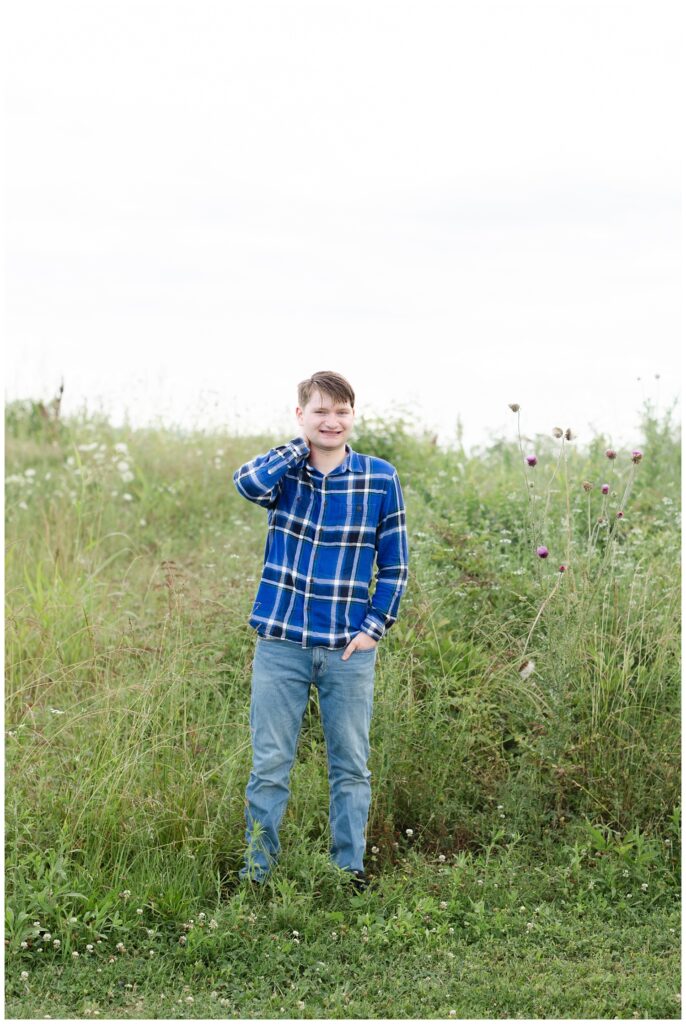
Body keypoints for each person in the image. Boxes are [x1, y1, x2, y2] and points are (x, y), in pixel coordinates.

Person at [233, 370, 409, 890]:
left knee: (351, 766)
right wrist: (299, 451)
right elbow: (247, 484)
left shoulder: (379, 477)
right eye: (320, 411)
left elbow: (395, 566)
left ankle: (348, 870)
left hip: (347, 650)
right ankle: (257, 874)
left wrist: (374, 629)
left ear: (353, 416)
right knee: (269, 766)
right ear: (301, 416)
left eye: (341, 411)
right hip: (281, 642)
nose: (332, 421)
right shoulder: (283, 474)